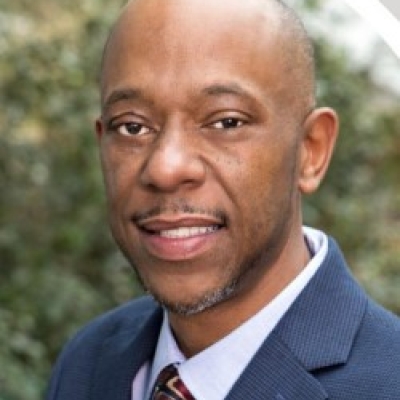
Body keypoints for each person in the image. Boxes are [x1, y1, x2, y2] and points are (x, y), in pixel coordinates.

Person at [46, 0, 400, 399]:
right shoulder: (88, 361)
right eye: (132, 127)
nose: (166, 168)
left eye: (226, 122)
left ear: (310, 150)